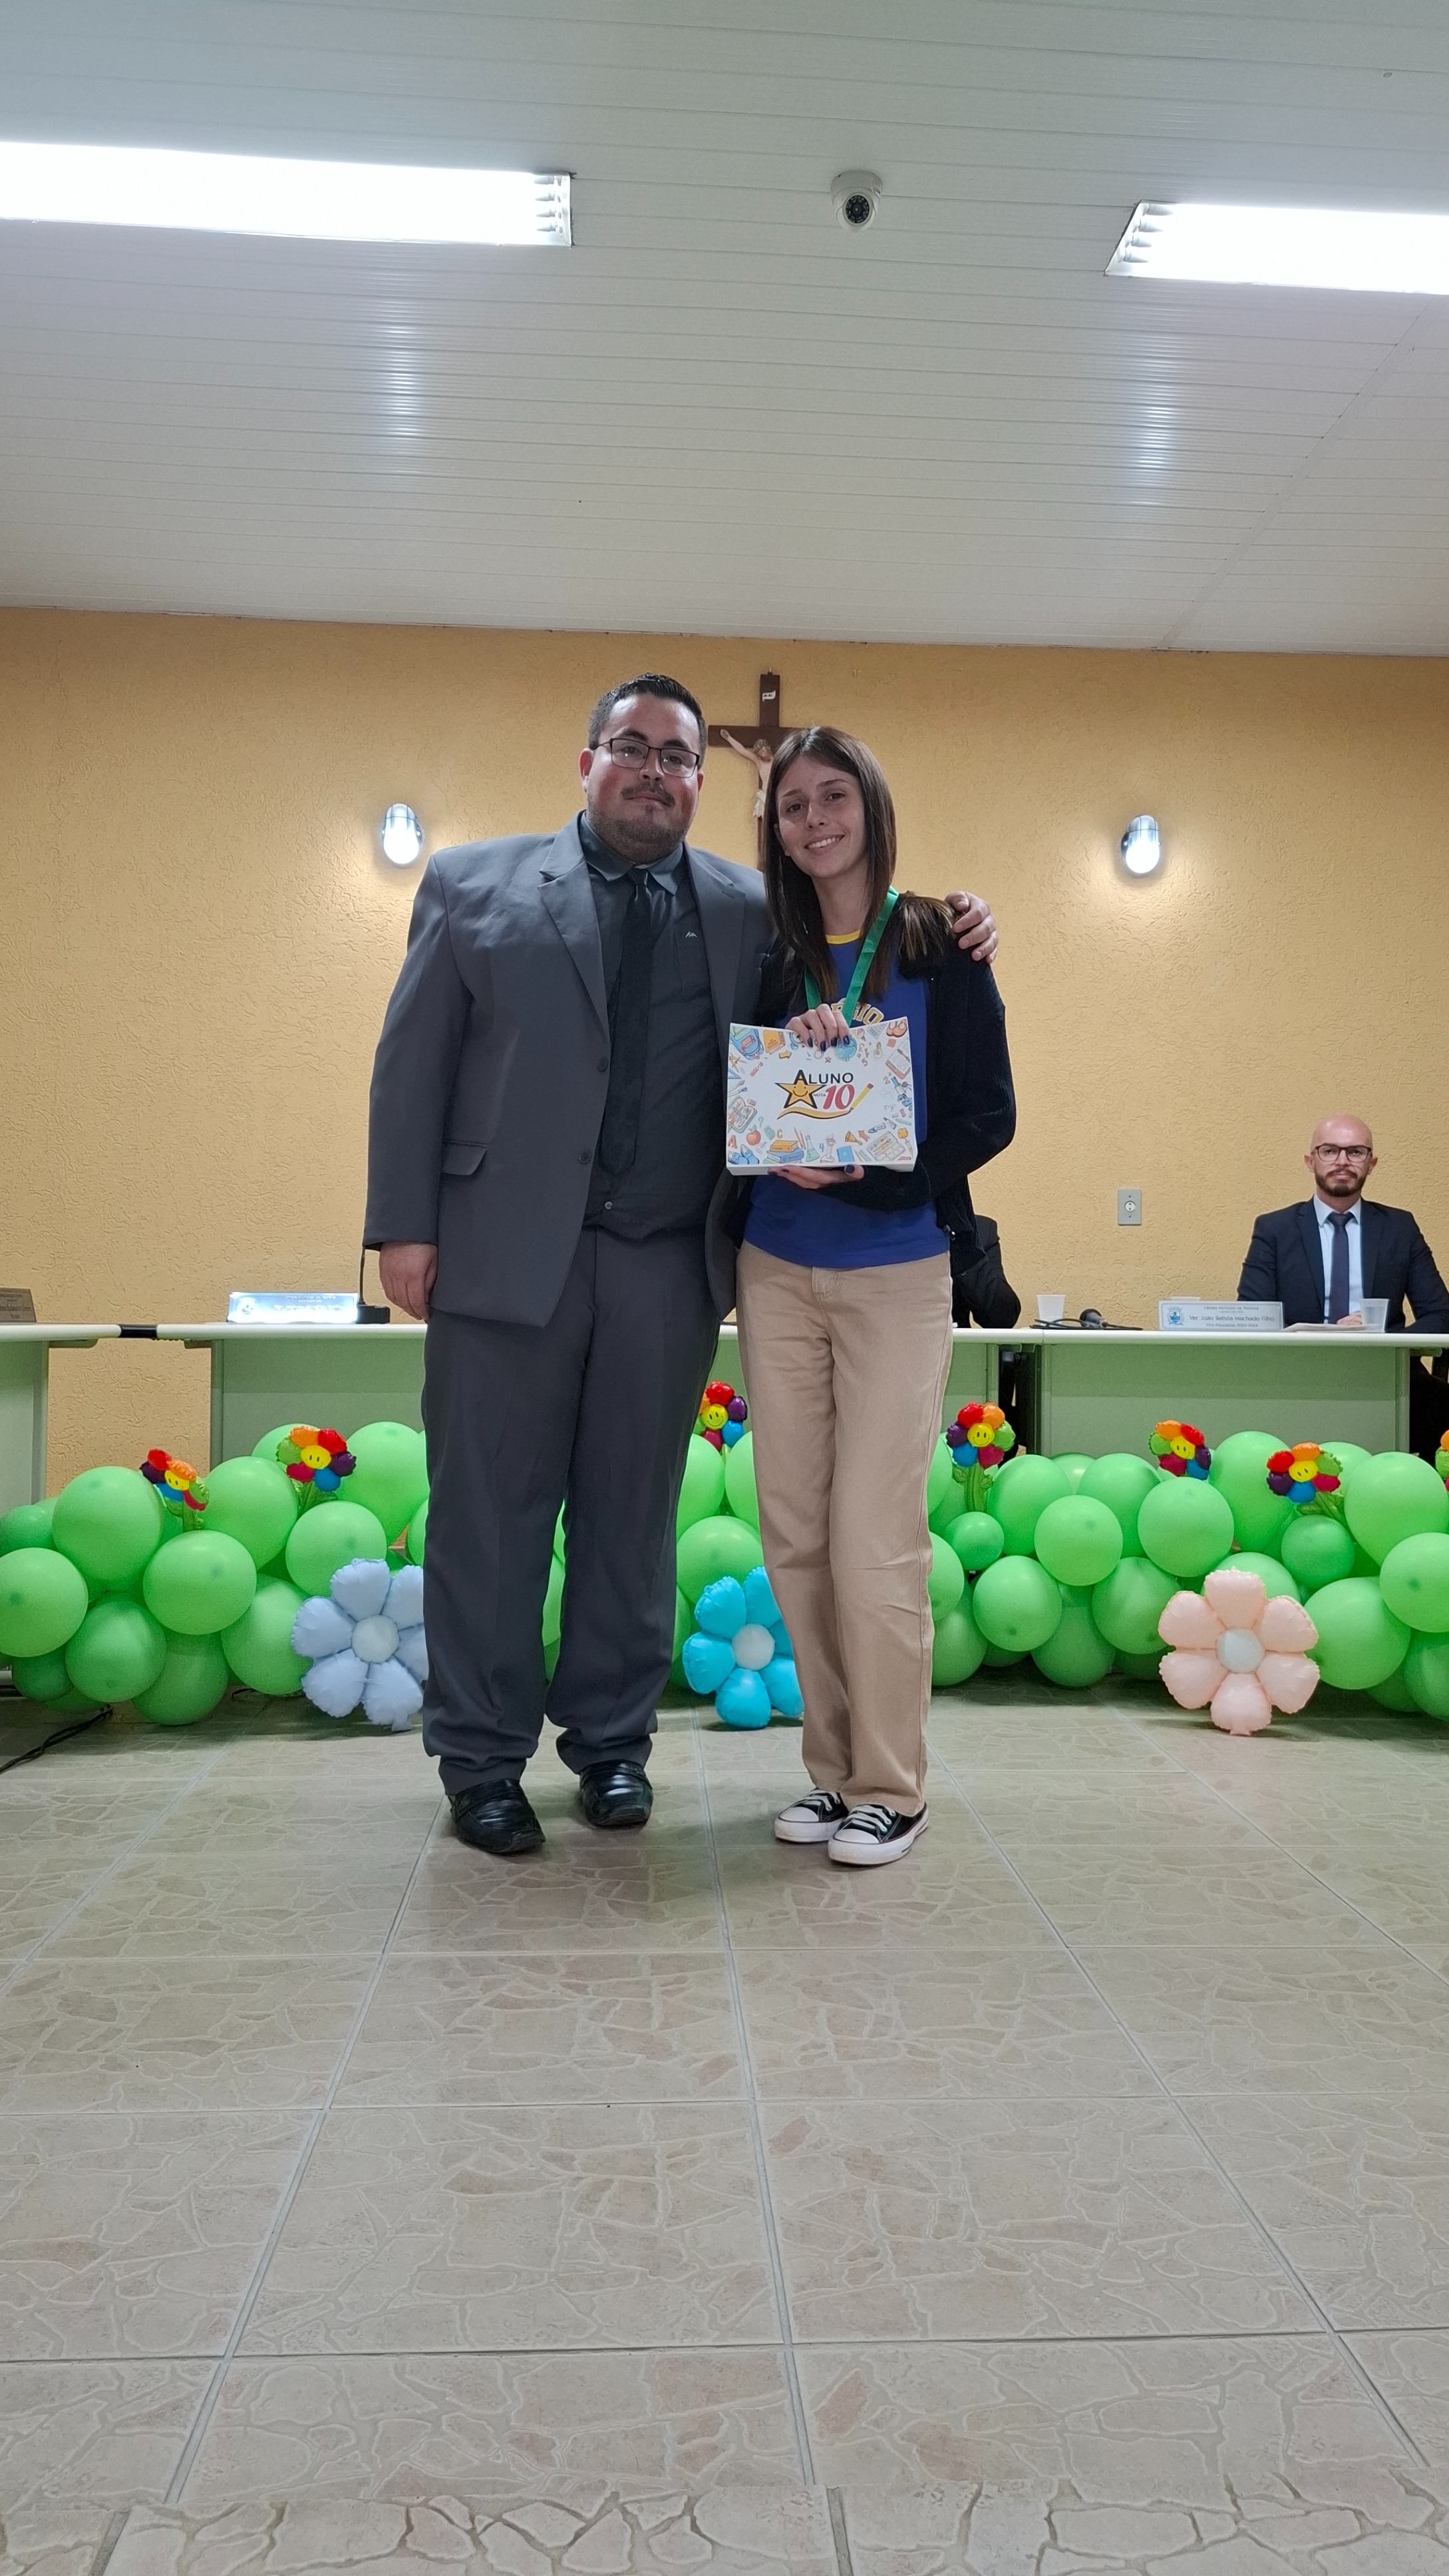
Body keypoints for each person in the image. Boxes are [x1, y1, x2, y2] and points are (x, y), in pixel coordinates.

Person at [365, 675, 999, 1859]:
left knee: (632, 1517)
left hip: (667, 1263)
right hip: (502, 1259)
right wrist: (404, 1226)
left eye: (677, 757)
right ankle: (482, 1759)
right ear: (588, 761)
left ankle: (611, 1746)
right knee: (488, 1518)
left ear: (703, 783)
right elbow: (412, 1064)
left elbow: (849, 970)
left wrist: (964, 919)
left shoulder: (752, 909)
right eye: (632, 747)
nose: (653, 771)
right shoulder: (469, 884)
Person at [730, 726, 1015, 1868]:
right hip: (773, 1266)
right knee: (794, 1533)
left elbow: (987, 1115)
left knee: (873, 1538)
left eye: (832, 797)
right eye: (792, 805)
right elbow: (744, 1094)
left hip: (896, 1269)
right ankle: (831, 1771)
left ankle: (891, 1786)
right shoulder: (766, 952)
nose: (814, 820)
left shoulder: (940, 938)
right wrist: (789, 1073)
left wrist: (880, 1171)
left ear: (870, 807)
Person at [1238, 1115, 1449, 1458]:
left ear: (1371, 1163)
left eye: (1355, 1152)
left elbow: (1440, 1314)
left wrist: (1385, 1341)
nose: (1342, 1161)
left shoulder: (1400, 1227)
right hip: (1296, 1372)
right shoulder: (1275, 1229)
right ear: (1311, 1161)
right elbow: (1252, 1315)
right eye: (1329, 1151)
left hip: (1387, 1373)